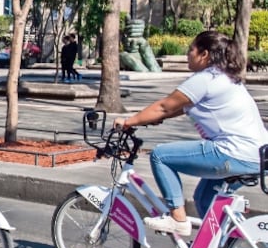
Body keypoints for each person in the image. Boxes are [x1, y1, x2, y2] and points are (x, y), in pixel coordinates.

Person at [113, 30, 268, 237]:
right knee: (204, 198)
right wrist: (154, 118)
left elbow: (164, 107)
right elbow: (179, 108)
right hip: (257, 156)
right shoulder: (225, 78)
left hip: (233, 152)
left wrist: (128, 121)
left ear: (204, 55)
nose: (188, 54)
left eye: (191, 50)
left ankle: (178, 220)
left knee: (161, 156)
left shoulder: (205, 79)